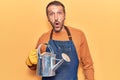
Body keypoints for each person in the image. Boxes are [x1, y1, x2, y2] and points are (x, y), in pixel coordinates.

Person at [26, 1, 94, 80]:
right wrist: (30, 63)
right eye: (51, 14)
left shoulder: (78, 35)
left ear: (64, 15)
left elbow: (88, 66)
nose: (56, 18)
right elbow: (36, 68)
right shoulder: (43, 38)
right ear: (48, 18)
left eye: (59, 13)